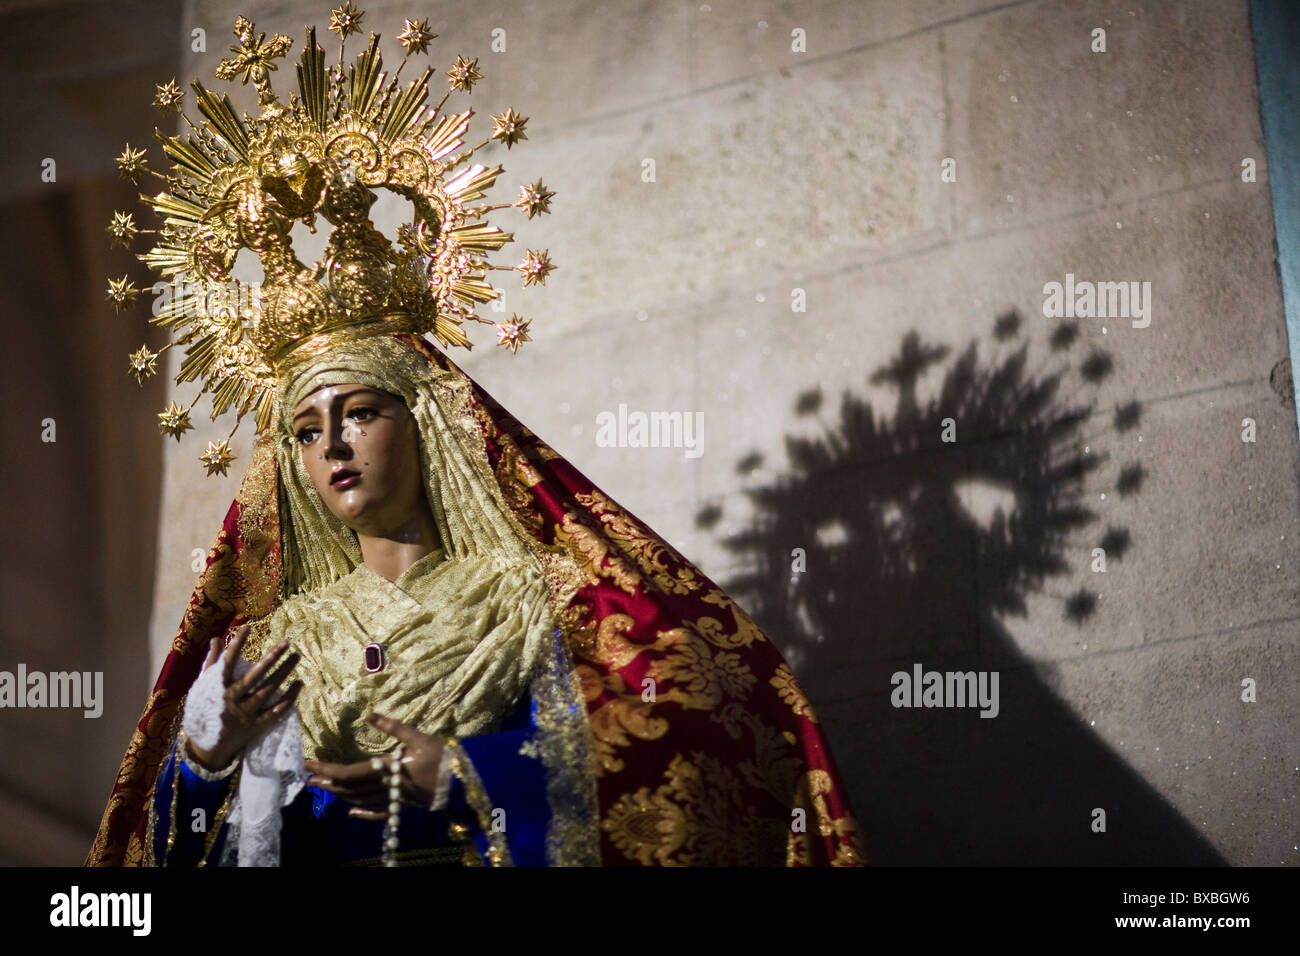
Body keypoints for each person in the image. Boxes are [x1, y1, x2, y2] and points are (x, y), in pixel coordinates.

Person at [84, 8, 863, 867]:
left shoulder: (536, 603)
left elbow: (702, 722)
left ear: (432, 427)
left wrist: (466, 775)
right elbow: (163, 858)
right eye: (307, 431)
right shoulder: (272, 647)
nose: (333, 445)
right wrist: (205, 761)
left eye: (360, 413)